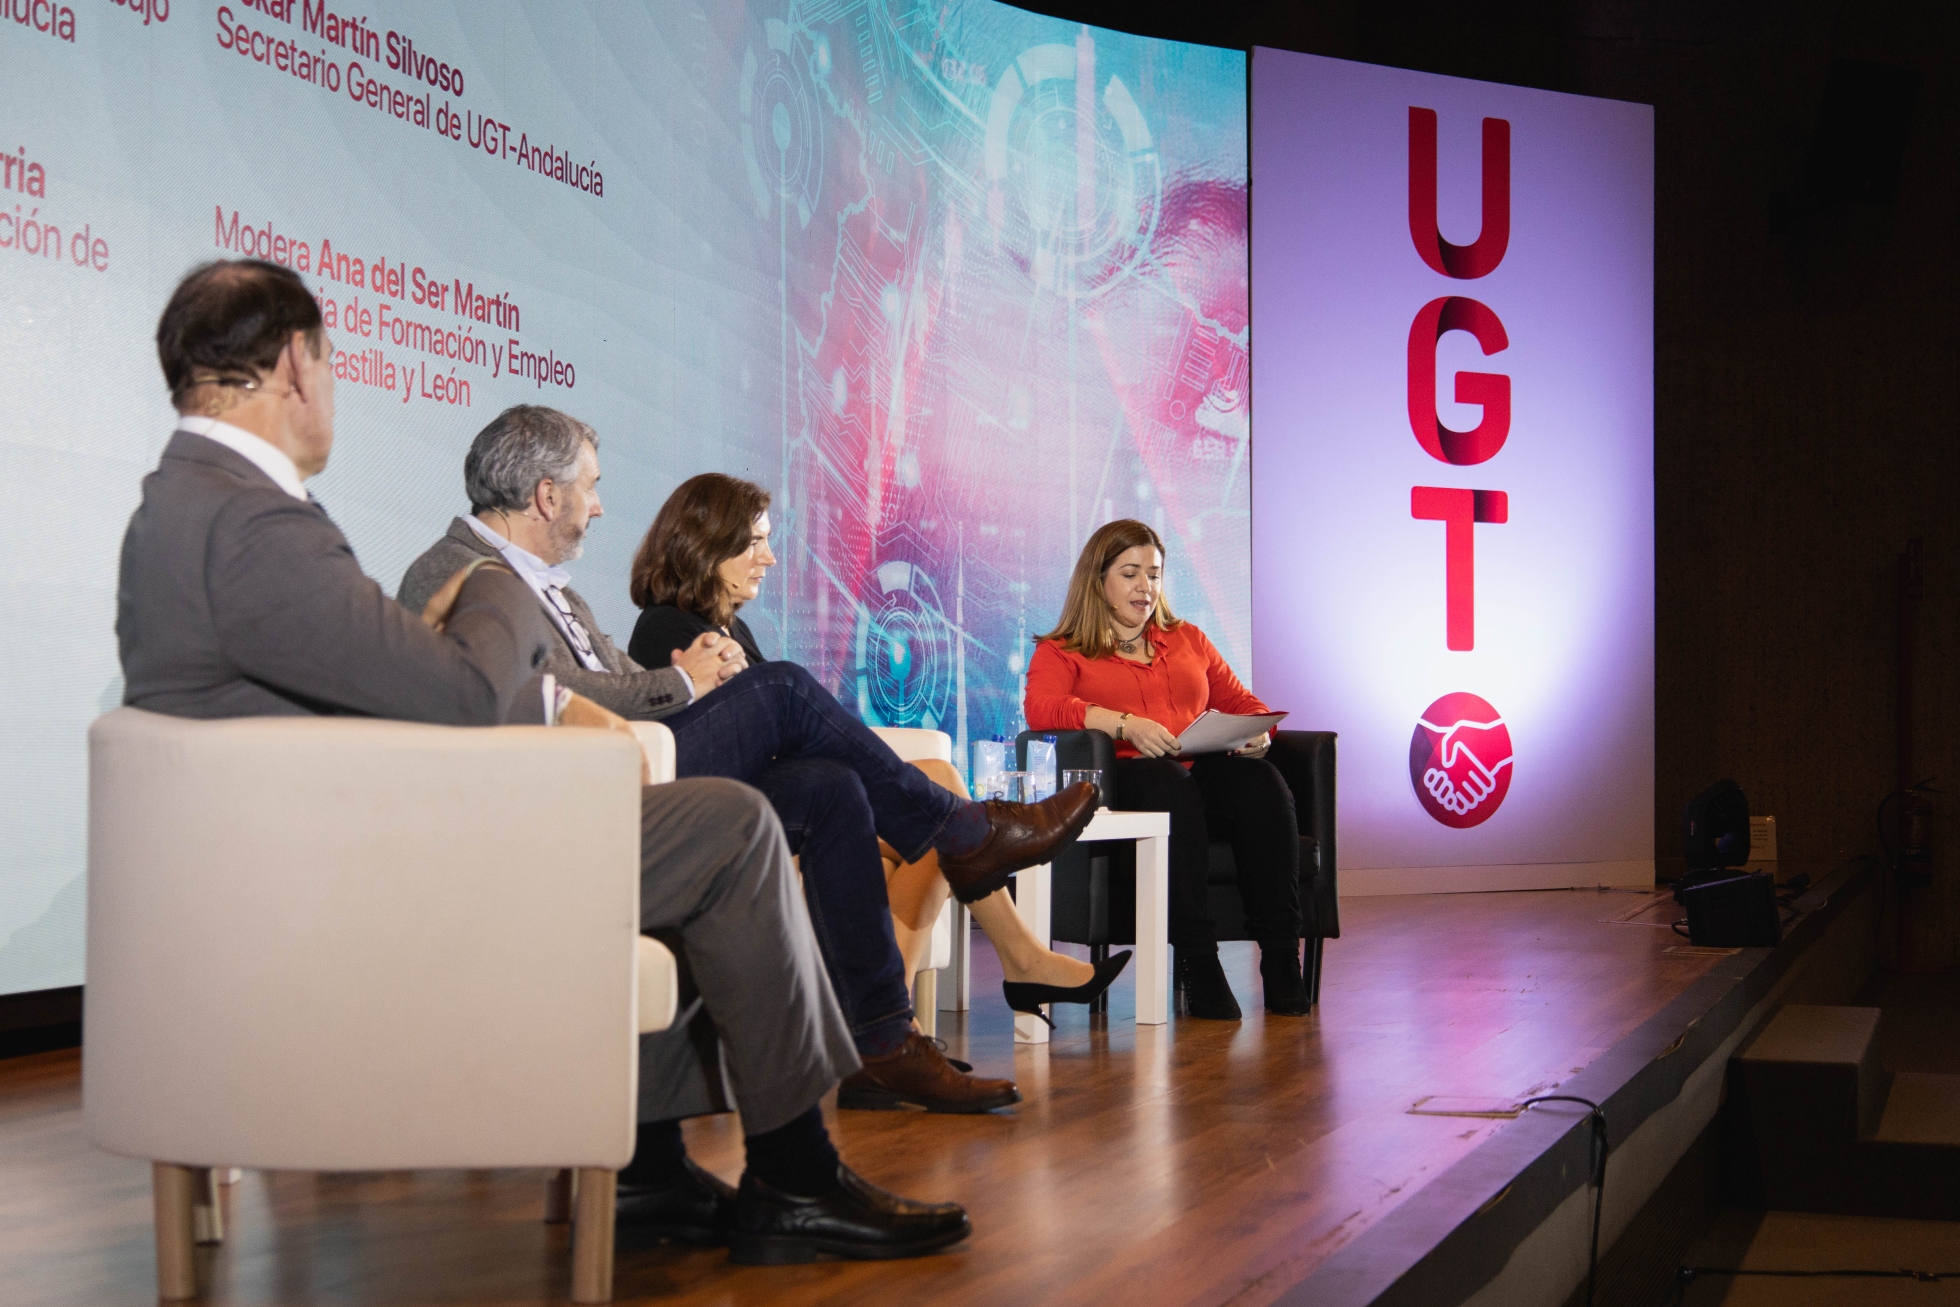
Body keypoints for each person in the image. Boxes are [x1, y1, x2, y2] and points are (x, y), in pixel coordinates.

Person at [120, 258, 973, 1265]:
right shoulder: (256, 523)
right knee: (731, 823)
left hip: (340, 852)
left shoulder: (189, 505)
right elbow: (463, 698)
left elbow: (408, 689)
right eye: (335, 364)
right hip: (373, 880)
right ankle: (793, 1172)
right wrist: (496, 582)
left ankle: (651, 1168)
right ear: (297, 363)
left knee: (726, 812)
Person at [398, 411, 1102, 1108]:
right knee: (785, 689)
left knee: (830, 787)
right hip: (584, 797)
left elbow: (616, 672)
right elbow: (537, 693)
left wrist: (697, 675)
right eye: (591, 486)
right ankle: (968, 835)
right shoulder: (452, 572)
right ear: (548, 496)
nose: (600, 505)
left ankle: (880, 1040)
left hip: (635, 763)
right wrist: (683, 682)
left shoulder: (554, 586)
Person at [629, 473, 1133, 1026]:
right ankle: (937, 1002)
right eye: (754, 542)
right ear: (707, 545)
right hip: (747, 814)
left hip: (786, 797)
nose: (768, 558)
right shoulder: (665, 629)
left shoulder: (732, 630)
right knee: (940, 823)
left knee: (940, 789)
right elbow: (730, 752)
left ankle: (903, 1016)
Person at [1023, 519, 1309, 1020]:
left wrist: (1258, 731)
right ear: (1098, 580)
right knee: (1169, 783)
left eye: (1154, 575)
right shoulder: (1062, 649)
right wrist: (1123, 724)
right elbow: (1041, 708)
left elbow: (1242, 702)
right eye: (1130, 574)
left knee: (1261, 783)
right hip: (1126, 781)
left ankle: (1282, 957)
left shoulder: (1187, 639)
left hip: (1197, 770)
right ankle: (1199, 960)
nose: (1145, 587)